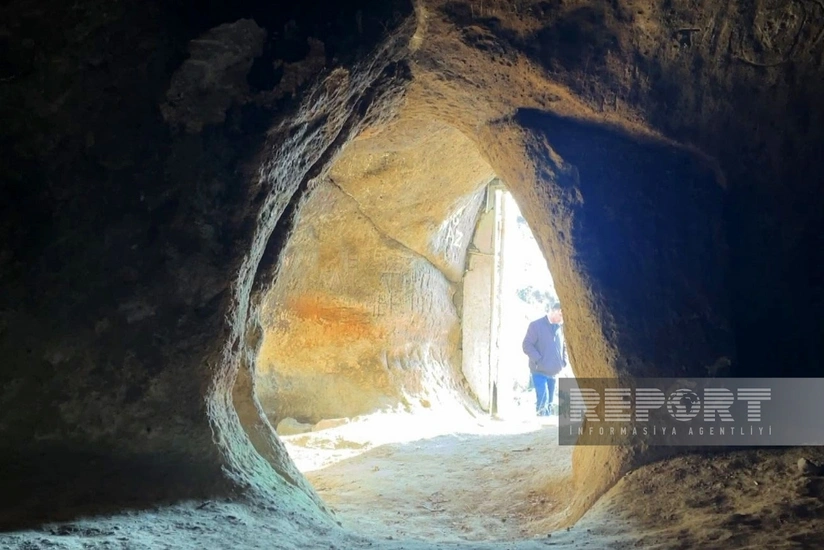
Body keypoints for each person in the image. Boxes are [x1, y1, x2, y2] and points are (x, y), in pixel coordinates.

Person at [522, 302, 567, 416]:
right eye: (561, 315)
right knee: (543, 400)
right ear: (554, 311)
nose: (562, 319)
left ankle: (544, 427)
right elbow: (527, 345)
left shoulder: (561, 328)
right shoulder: (536, 325)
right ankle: (541, 425)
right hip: (539, 371)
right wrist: (538, 360)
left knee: (550, 403)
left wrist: (563, 361)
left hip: (554, 372)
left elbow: (564, 346)